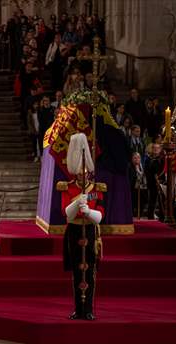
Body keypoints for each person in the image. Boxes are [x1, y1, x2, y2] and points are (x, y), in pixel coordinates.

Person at [57, 133, 105, 321]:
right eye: (80, 171)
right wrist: (77, 204)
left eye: (85, 171)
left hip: (91, 231)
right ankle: (79, 308)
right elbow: (66, 213)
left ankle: (89, 308)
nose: (83, 174)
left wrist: (89, 212)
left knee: (90, 270)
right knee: (78, 270)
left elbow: (100, 215)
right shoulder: (67, 188)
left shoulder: (97, 189)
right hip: (75, 231)